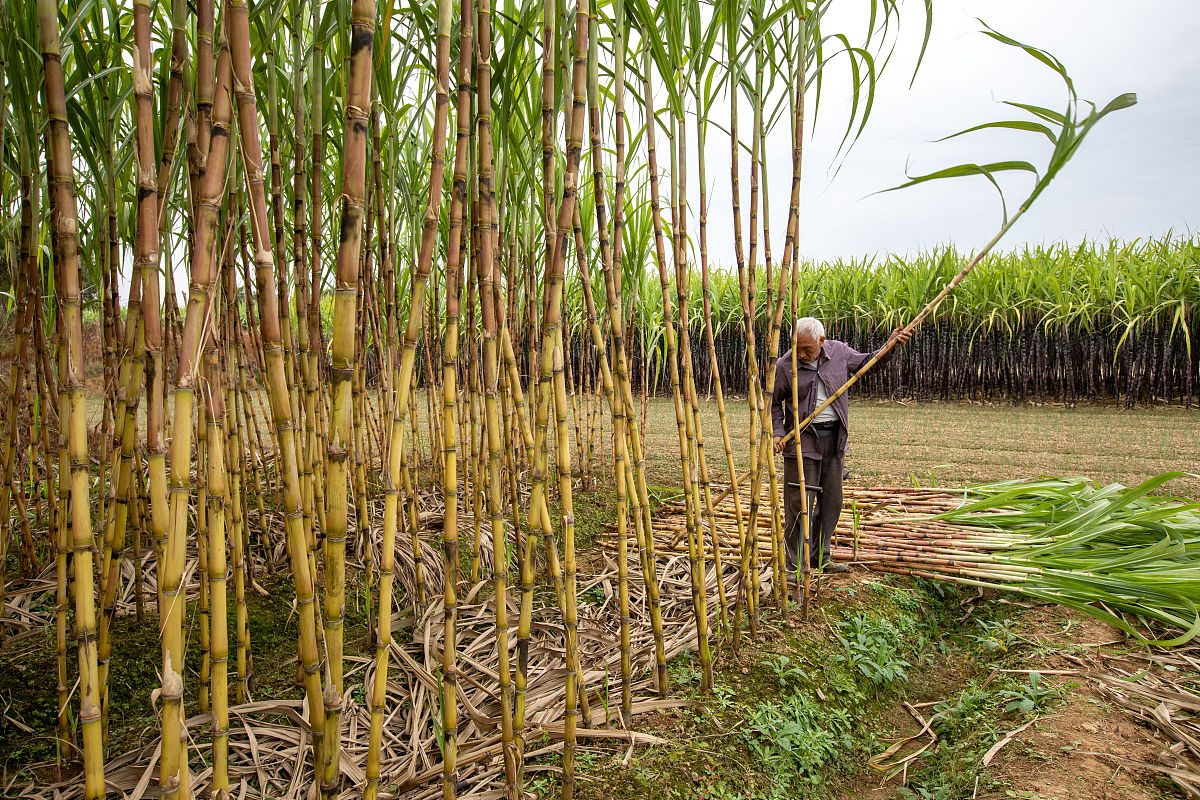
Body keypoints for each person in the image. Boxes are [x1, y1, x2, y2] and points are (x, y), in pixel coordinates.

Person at [772, 317, 912, 575]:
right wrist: (778, 433)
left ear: (822, 342)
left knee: (832, 501)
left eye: (807, 349)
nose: (801, 354)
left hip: (834, 440)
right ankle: (793, 566)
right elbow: (773, 403)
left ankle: (820, 557)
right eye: (797, 348)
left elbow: (869, 364)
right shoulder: (784, 365)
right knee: (799, 503)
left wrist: (890, 346)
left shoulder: (839, 353)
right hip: (801, 441)